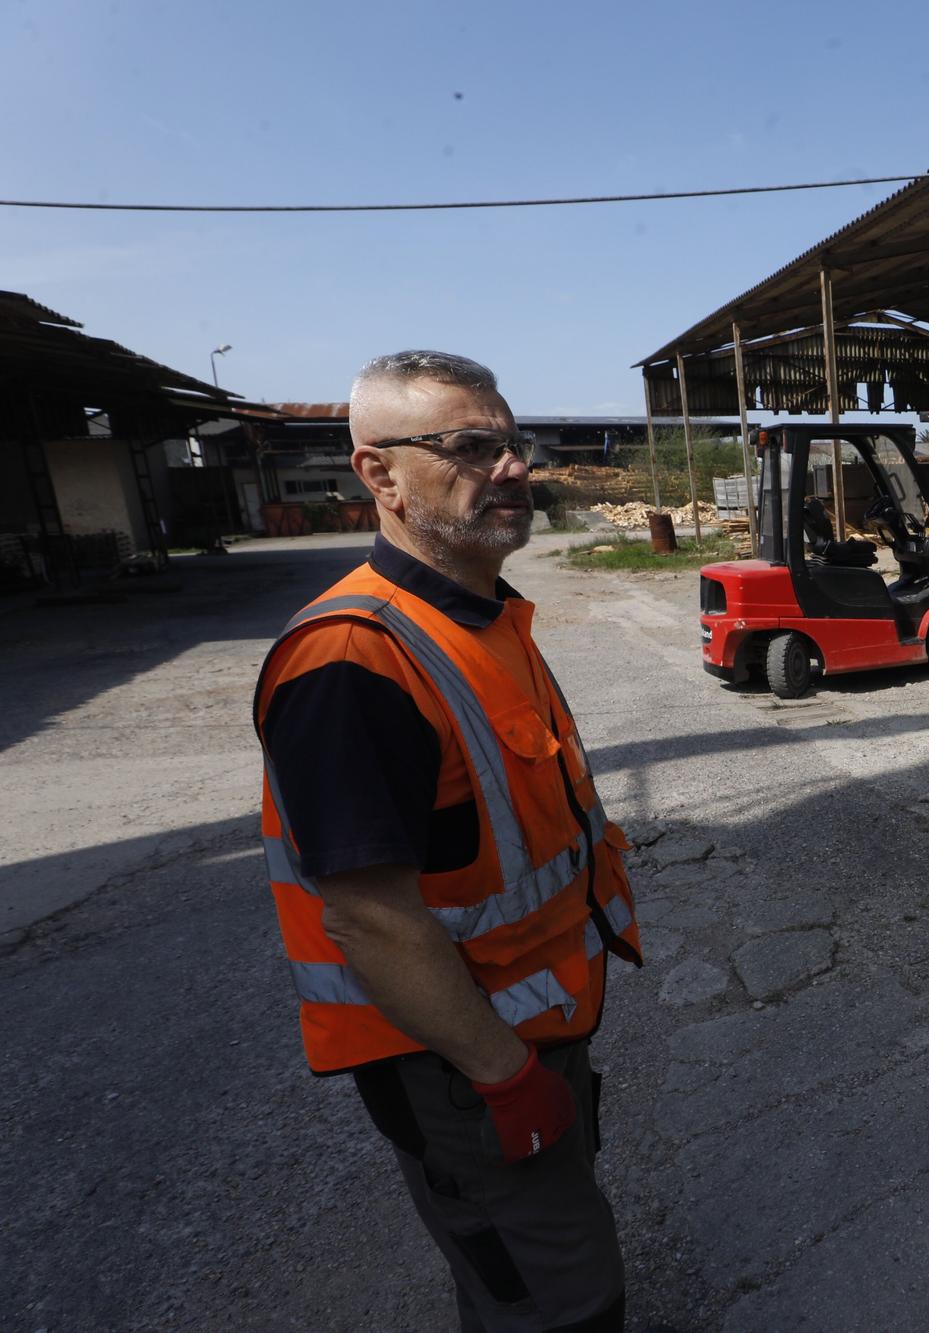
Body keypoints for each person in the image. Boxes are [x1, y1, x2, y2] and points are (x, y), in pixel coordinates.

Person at [254, 351, 643, 1329]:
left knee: (534, 1261)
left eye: (510, 444)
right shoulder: (352, 661)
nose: (509, 468)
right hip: (465, 1064)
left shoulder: (483, 618)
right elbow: (370, 918)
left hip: (529, 1032)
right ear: (378, 473)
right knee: (560, 1294)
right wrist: (501, 1076)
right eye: (470, 447)